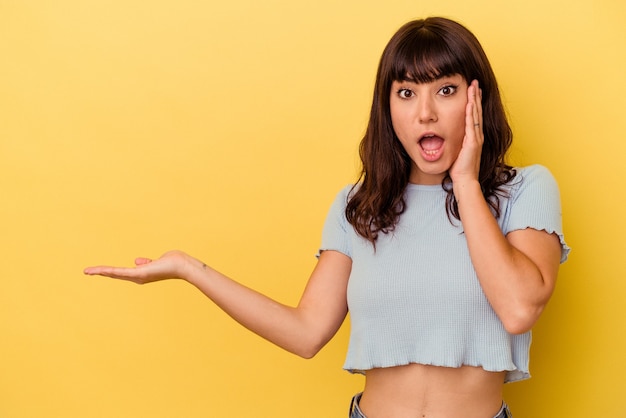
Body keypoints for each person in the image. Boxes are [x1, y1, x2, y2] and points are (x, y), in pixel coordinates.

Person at [84, 16, 569, 418]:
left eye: (445, 90)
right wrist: (190, 268)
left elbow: (518, 307)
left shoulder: (523, 190)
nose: (425, 113)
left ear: (475, 98)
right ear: (388, 107)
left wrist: (465, 182)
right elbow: (306, 332)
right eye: (406, 93)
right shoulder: (359, 204)